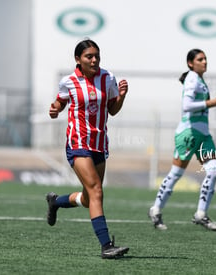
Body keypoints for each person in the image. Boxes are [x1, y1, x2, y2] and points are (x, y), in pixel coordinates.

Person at [46, 39, 129, 259]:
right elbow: (59, 103)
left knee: (87, 197)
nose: (94, 60)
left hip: (99, 143)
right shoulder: (69, 81)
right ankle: (106, 246)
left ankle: (55, 202)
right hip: (78, 142)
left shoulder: (107, 77)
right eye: (89, 56)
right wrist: (54, 109)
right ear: (78, 59)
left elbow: (112, 110)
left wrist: (121, 97)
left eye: (97, 56)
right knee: (96, 192)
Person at [148, 49, 216, 231]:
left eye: (205, 58)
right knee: (176, 174)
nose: (204, 62)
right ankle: (156, 209)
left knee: (213, 172)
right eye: (200, 59)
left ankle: (200, 214)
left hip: (204, 135)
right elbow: (187, 106)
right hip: (189, 134)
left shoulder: (198, 79)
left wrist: (212, 102)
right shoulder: (191, 78)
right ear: (190, 63)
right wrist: (211, 103)